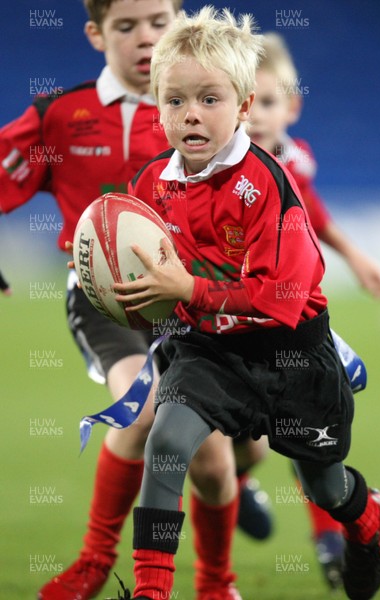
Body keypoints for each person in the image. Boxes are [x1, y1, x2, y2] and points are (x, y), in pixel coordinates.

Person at [109, 6, 380, 599]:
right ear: (156, 106)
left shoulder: (268, 184)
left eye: (210, 98)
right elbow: (147, 288)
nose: (191, 113)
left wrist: (186, 289)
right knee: (166, 443)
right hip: (209, 351)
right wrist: (119, 289)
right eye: (175, 100)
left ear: (243, 107)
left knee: (326, 489)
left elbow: (283, 300)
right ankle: (150, 592)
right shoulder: (146, 188)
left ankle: (365, 518)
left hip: (292, 356)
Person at [0, 2, 260, 599]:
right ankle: (95, 561)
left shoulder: (201, 108)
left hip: (192, 304)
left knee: (216, 463)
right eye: (126, 26)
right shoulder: (60, 115)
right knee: (141, 412)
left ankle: (218, 583)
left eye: (158, 21)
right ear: (96, 34)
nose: (146, 37)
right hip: (105, 301)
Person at [247, 31, 380, 590]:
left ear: (292, 106)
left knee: (302, 424)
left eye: (267, 102)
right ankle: (233, 496)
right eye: (245, 100)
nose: (255, 116)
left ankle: (329, 537)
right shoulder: (219, 159)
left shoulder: (292, 161)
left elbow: (314, 208)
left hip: (285, 315)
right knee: (236, 437)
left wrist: (353, 253)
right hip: (231, 315)